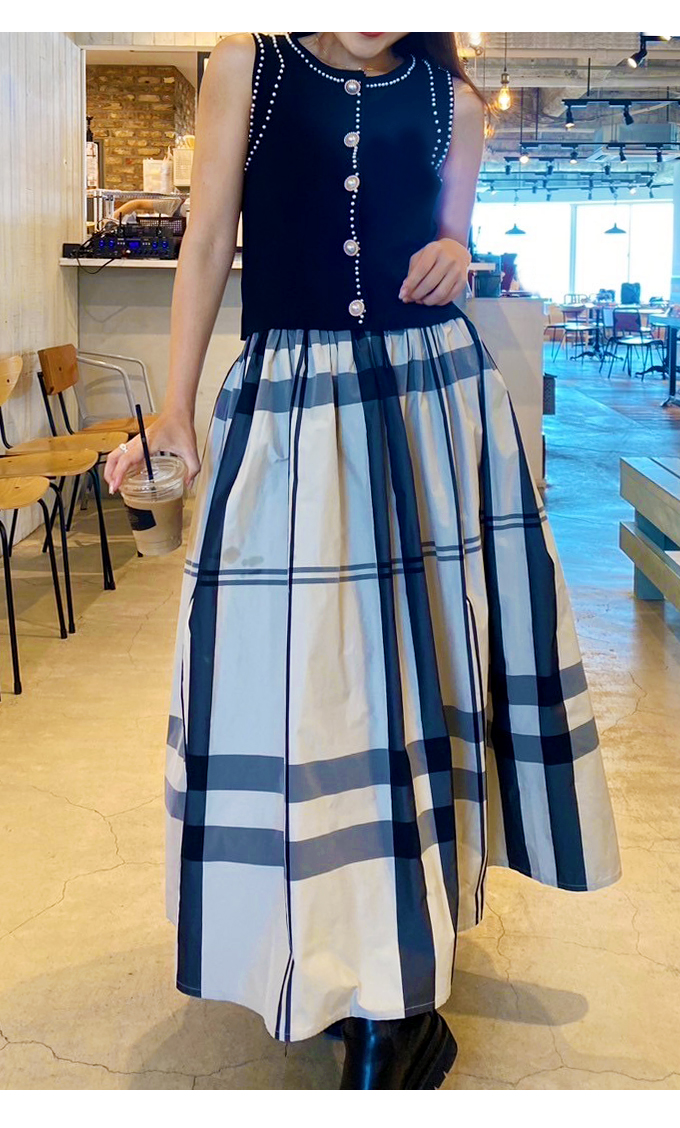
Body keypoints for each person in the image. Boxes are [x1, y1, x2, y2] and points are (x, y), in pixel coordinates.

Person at [105, 32, 622, 1090]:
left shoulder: (454, 103)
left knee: (421, 686)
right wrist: (177, 411)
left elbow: (447, 234)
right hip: (292, 407)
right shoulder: (248, 65)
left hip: (433, 405)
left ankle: (400, 990)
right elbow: (206, 242)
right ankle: (329, 947)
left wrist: (456, 249)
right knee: (299, 692)